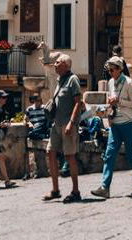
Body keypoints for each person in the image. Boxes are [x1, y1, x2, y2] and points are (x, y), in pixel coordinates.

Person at [92, 56, 132, 199]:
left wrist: (119, 101)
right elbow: (111, 101)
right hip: (115, 124)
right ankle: (105, 187)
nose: (110, 72)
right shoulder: (110, 82)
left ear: (119, 69)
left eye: (112, 70)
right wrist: (108, 114)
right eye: (109, 70)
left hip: (128, 123)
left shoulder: (128, 82)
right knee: (109, 155)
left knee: (131, 156)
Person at [43, 53, 83, 203]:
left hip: (68, 124)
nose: (55, 64)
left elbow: (78, 102)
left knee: (70, 156)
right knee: (50, 152)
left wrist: (71, 123)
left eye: (58, 62)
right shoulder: (59, 80)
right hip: (56, 123)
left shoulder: (73, 79)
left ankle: (75, 191)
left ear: (66, 65)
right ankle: (55, 190)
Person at [24, 95, 49, 179]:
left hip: (42, 127)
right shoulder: (29, 109)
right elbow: (25, 120)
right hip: (35, 128)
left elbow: (48, 119)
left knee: (33, 134)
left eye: (40, 100)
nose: (39, 102)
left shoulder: (44, 108)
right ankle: (41, 136)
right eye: (37, 101)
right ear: (34, 101)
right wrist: (30, 124)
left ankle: (41, 134)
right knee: (32, 134)